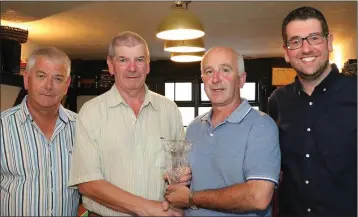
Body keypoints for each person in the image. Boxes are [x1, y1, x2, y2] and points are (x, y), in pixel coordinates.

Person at [68, 31, 188, 216]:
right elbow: (88, 183)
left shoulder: (169, 110)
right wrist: (149, 208)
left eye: (139, 60)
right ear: (111, 65)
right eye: (123, 60)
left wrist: (182, 177)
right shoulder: (91, 113)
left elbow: (179, 169)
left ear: (148, 65)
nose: (132, 68)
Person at [165, 46, 281, 216]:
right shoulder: (194, 127)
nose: (216, 79)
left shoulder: (261, 126)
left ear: (241, 80)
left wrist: (191, 197)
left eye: (225, 70)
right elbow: (190, 184)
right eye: (209, 71)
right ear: (203, 79)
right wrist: (182, 180)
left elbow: (258, 197)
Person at [267, 6, 357, 217]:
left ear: (329, 42)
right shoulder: (277, 101)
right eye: (296, 41)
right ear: (286, 52)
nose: (306, 49)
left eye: (314, 38)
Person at [0, 47, 80, 216]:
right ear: (27, 79)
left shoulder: (82, 128)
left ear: (66, 85)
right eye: (41, 76)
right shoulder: (3, 127)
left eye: (58, 78)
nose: (49, 86)